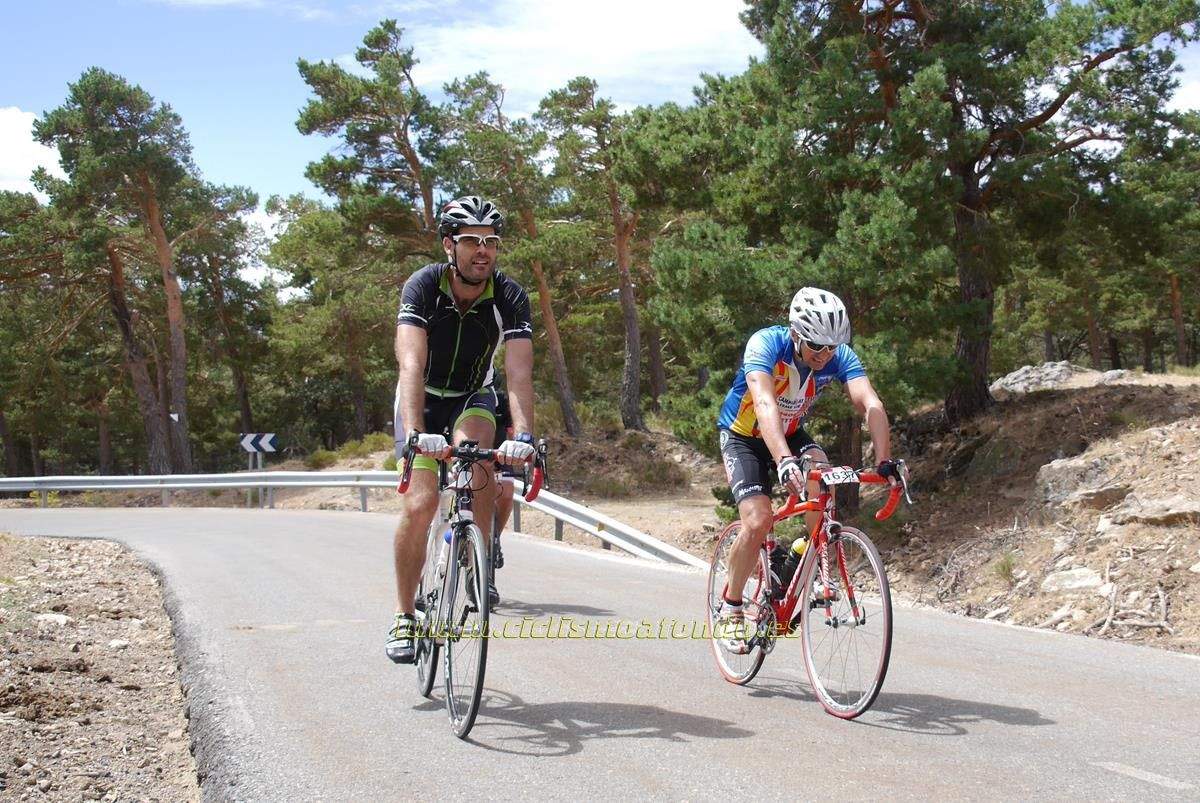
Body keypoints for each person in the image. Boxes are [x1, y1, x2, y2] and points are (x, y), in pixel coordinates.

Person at [386, 196, 537, 665]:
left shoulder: (510, 296)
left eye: (491, 241)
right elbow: (410, 364)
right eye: (471, 240)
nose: (483, 250)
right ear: (449, 245)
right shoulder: (423, 286)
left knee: (479, 463)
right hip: (423, 397)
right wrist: (416, 432)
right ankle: (404, 615)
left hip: (473, 396)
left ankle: (476, 556)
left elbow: (518, 374)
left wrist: (524, 436)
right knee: (421, 504)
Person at [714, 287, 901, 653]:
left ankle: (812, 559)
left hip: (789, 432)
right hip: (744, 435)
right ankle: (731, 607)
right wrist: (783, 461)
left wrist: (884, 461)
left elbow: (870, 403)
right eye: (816, 346)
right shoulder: (766, 344)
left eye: (832, 347)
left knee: (822, 474)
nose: (824, 355)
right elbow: (764, 403)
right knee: (758, 521)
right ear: (795, 333)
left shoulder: (837, 355)